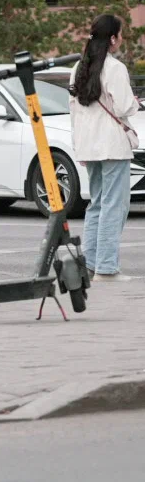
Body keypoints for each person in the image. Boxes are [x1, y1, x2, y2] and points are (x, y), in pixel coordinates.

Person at [69, 14, 138, 282]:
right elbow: (123, 107)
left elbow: (73, 110)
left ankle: (91, 263)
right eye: (120, 34)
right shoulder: (115, 68)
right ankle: (107, 267)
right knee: (114, 206)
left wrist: (79, 146)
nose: (121, 39)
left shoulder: (78, 67)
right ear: (112, 38)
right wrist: (135, 102)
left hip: (89, 144)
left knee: (96, 204)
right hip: (112, 145)